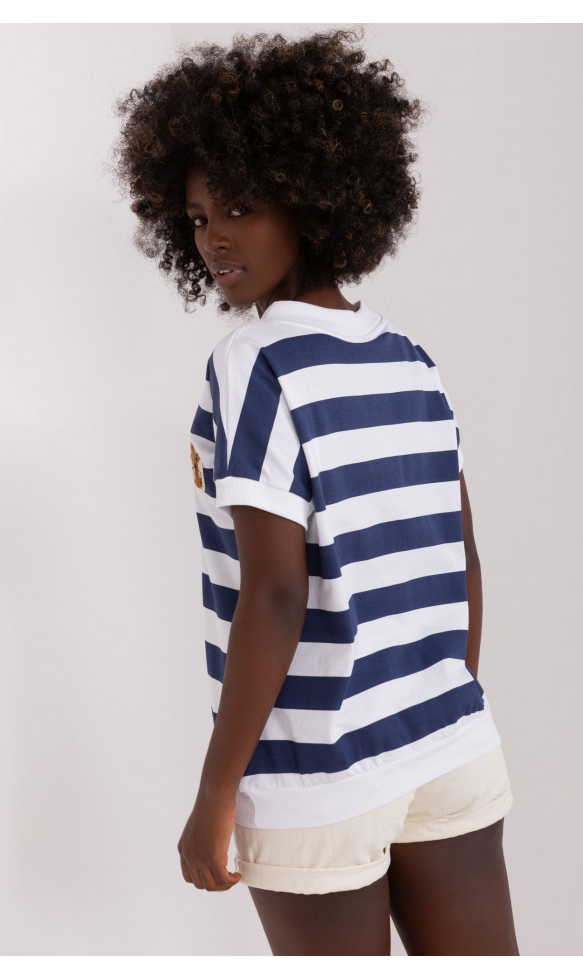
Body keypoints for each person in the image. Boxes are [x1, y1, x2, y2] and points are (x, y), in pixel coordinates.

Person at [110, 26, 520, 956]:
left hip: (317, 772)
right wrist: (445, 702)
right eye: (197, 217)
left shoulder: (254, 362)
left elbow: (276, 595)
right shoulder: (410, 358)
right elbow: (463, 557)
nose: (213, 237)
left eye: (238, 207)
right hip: (452, 742)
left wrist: (216, 793)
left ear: (311, 198)